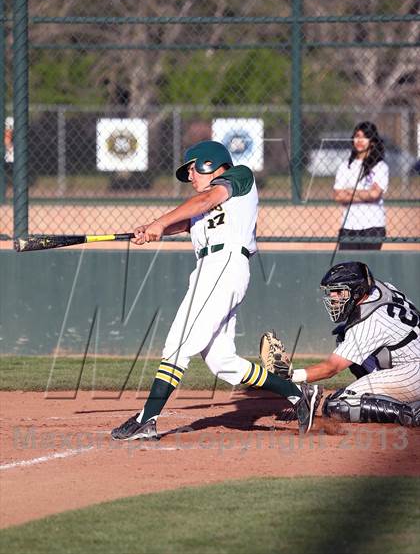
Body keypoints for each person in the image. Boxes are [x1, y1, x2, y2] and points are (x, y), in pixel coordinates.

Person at [111, 140, 321, 440]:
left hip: (224, 264)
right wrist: (151, 229)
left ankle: (148, 417)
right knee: (222, 362)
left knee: (178, 343)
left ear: (210, 163)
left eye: (193, 170)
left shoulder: (238, 177)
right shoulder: (203, 203)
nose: (191, 178)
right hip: (211, 268)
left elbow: (205, 202)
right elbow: (184, 222)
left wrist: (159, 221)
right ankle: (299, 395)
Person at [286, 261, 420, 426]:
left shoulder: (369, 321)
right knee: (343, 336)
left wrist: (290, 376)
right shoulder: (382, 288)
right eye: (331, 291)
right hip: (410, 359)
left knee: (337, 406)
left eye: (338, 291)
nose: (333, 297)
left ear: (357, 292)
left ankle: (411, 414)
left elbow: (331, 368)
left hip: (414, 370)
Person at [334, 122, 389, 250]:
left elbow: (375, 194)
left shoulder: (380, 167)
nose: (359, 140)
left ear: (373, 142)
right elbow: (338, 196)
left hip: (373, 226)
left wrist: (350, 191)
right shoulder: (345, 166)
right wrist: (366, 194)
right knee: (348, 268)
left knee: (366, 267)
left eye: (365, 137)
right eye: (357, 136)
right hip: (348, 227)